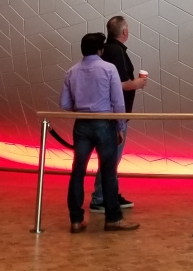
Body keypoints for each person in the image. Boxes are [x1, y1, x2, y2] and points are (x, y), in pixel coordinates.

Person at [60, 32, 138, 233]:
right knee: (108, 171)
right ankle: (113, 219)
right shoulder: (108, 68)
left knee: (78, 171)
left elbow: (65, 104)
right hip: (104, 123)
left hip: (82, 125)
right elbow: (118, 102)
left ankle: (76, 220)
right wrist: (120, 126)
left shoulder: (71, 71)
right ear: (100, 50)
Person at [89, 15, 148, 214]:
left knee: (111, 157)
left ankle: (110, 194)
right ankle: (100, 197)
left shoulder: (108, 50)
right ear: (124, 32)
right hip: (115, 115)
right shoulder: (116, 52)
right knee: (111, 158)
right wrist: (137, 84)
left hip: (111, 113)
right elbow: (118, 84)